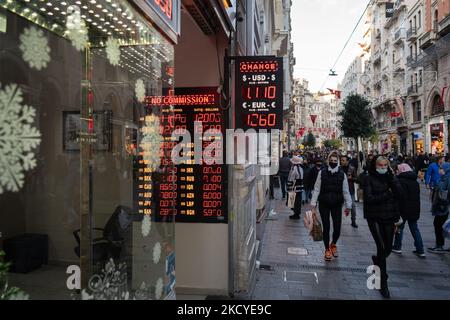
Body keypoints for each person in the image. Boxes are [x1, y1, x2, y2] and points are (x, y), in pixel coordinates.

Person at [363, 156, 403, 299]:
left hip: (388, 216)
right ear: (375, 165)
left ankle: (378, 261)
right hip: (373, 217)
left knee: (388, 248)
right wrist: (386, 195)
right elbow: (368, 198)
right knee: (381, 247)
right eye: (380, 165)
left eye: (385, 165)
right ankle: (383, 282)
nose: (382, 167)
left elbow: (399, 193)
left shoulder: (389, 177)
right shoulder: (368, 178)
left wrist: (392, 177)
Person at [310, 152, 352, 261]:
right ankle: (327, 249)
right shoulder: (322, 173)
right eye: (331, 161)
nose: (333, 162)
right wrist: (313, 205)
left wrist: (349, 205)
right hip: (324, 203)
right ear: (328, 161)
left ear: (337, 162)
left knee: (337, 228)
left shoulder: (342, 174)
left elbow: (346, 191)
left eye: (335, 161)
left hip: (337, 204)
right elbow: (317, 189)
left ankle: (333, 244)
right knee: (326, 227)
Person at [392, 164, 425, 258]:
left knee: (400, 228)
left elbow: (400, 197)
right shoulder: (415, 182)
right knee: (415, 229)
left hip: (403, 209)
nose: (397, 172)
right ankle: (421, 250)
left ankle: (397, 247)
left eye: (398, 170)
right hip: (414, 209)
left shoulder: (400, 181)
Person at [428, 162, 450, 254]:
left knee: (439, 225)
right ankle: (439, 245)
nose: (440, 170)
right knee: (439, 225)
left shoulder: (448, 178)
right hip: (440, 205)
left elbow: (446, 192)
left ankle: (440, 245)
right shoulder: (443, 178)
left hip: (443, 206)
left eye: (441, 168)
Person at [340, 155, 358, 228]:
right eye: (341, 160)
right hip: (340, 191)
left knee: (353, 206)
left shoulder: (352, 168)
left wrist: (351, 178)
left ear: (347, 161)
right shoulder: (338, 169)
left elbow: (356, 179)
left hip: (350, 190)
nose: (342, 162)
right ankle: (338, 221)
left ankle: (353, 221)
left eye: (344, 160)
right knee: (339, 207)